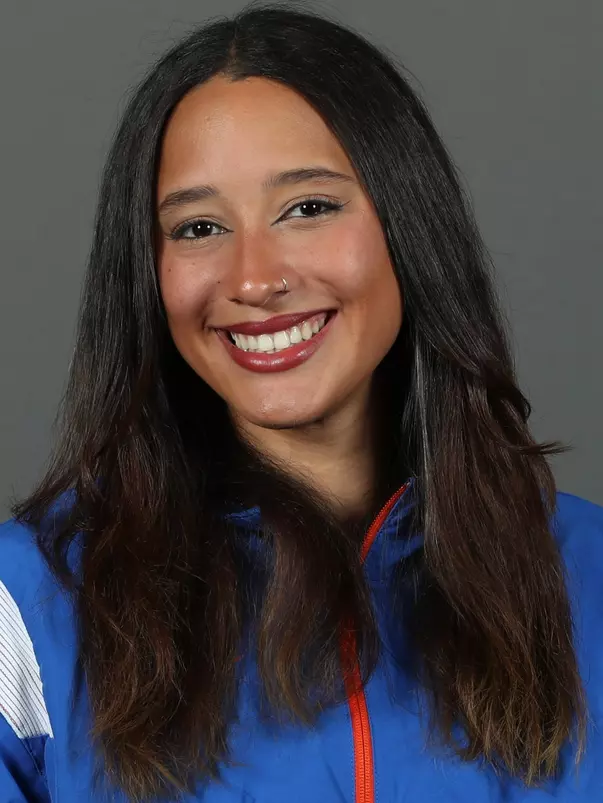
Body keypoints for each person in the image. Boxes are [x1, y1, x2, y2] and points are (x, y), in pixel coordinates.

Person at [1, 3, 602, 801]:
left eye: (308, 207)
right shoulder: (28, 604)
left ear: (407, 224)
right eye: (197, 226)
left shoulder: (587, 573)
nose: (253, 279)